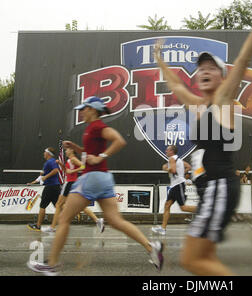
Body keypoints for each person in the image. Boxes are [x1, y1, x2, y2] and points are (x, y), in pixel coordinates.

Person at [154, 0, 252, 275]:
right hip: (210, 189)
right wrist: (159, 60)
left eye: (211, 68)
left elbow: (243, 60)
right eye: (200, 68)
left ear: (223, 77)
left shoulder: (222, 100)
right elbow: (176, 85)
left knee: (191, 260)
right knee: (206, 259)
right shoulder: (198, 104)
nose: (203, 71)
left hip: (219, 186)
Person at [27, 96, 163, 275]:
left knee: (64, 218)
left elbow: (119, 140)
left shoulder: (98, 126)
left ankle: (51, 264)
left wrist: (101, 157)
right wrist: (76, 147)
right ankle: (151, 248)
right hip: (104, 178)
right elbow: (90, 152)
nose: (81, 111)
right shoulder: (91, 129)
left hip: (92, 178)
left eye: (84, 108)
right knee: (116, 220)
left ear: (93, 109)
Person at [42, 148, 105, 233]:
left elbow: (83, 166)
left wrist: (73, 171)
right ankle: (97, 220)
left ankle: (52, 227)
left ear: (71, 150)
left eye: (67, 150)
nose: (65, 151)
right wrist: (61, 164)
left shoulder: (73, 159)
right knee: (79, 206)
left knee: (58, 204)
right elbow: (67, 171)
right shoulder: (70, 160)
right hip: (73, 184)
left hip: (69, 184)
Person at [151, 145, 194, 235]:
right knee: (167, 205)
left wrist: (165, 168)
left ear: (172, 151)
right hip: (175, 185)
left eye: (167, 150)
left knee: (183, 208)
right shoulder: (179, 159)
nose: (166, 151)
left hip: (178, 185)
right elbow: (188, 167)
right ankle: (163, 229)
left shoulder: (171, 159)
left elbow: (173, 170)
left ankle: (204, 210)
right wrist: (183, 174)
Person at [26, 148, 61, 231]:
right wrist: (33, 182)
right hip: (55, 186)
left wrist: (46, 176)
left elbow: (56, 170)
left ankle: (38, 226)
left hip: (50, 187)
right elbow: (42, 177)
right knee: (58, 207)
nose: (43, 153)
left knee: (42, 206)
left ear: (48, 153)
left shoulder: (50, 161)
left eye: (45, 152)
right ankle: (63, 224)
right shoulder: (49, 162)